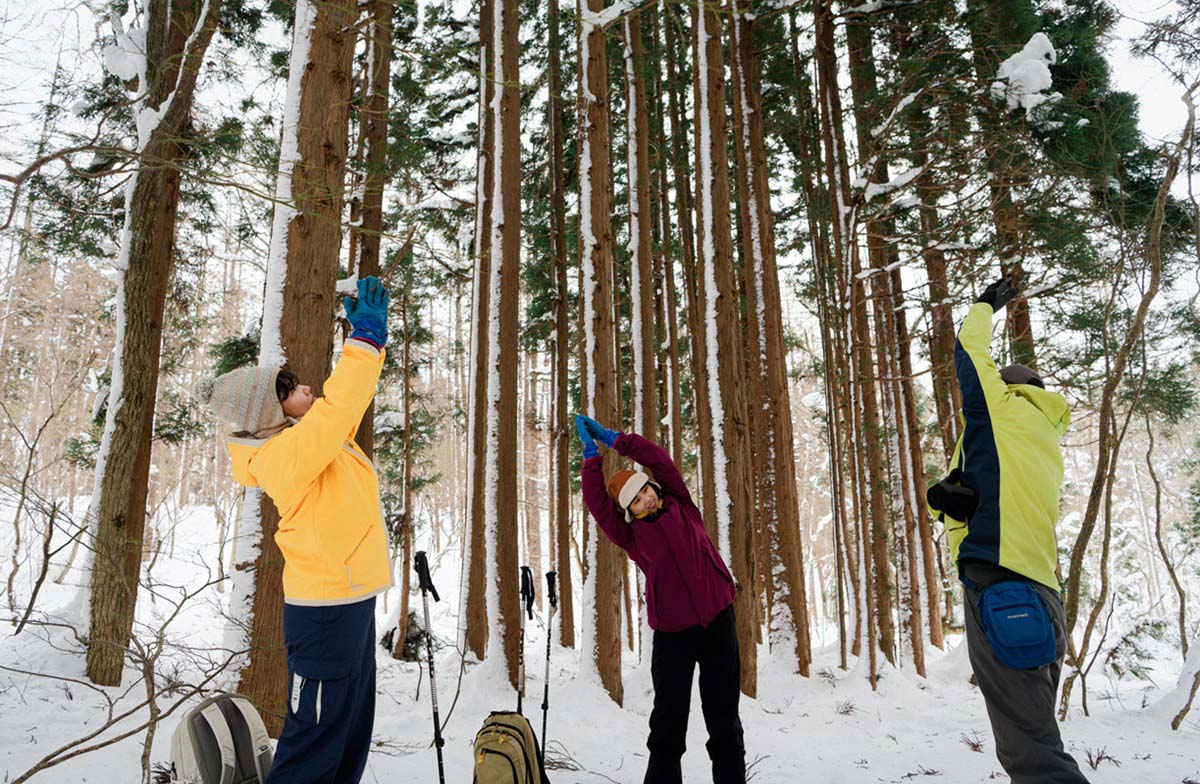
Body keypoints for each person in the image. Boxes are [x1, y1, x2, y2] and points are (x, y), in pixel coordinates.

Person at [196, 277, 392, 784]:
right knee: (315, 737)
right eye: (289, 388)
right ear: (269, 413)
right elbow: (339, 407)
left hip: (350, 598)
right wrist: (364, 341)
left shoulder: (307, 441)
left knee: (348, 728)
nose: (306, 386)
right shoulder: (282, 457)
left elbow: (343, 409)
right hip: (325, 611)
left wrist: (368, 344)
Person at [926, 273, 1089, 784]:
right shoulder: (1043, 434)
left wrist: (983, 306)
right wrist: (951, 509)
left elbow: (970, 353)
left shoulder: (1003, 410)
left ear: (1013, 391)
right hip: (1040, 594)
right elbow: (994, 501)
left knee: (1034, 756)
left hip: (1004, 589)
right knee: (1036, 736)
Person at [576, 414, 745, 784]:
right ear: (629, 511)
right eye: (635, 501)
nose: (645, 499)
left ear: (653, 485)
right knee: (668, 729)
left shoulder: (681, 502)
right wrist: (592, 460)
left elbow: (659, 459)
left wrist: (617, 440)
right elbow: (598, 505)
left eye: (644, 489)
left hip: (719, 620)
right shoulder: (632, 536)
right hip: (673, 636)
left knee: (725, 724)